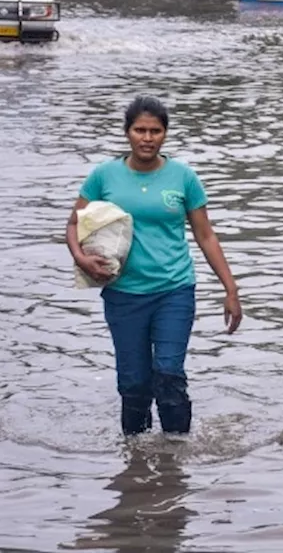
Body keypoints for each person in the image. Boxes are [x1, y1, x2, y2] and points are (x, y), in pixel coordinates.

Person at [67, 96, 243, 437]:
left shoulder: (183, 177)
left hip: (174, 290)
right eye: (140, 130)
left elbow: (206, 236)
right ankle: (135, 458)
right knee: (133, 383)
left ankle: (176, 453)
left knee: (168, 372)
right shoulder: (105, 176)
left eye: (155, 131)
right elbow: (73, 224)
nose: (147, 138)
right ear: (127, 133)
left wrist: (231, 289)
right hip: (123, 293)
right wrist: (80, 257)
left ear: (165, 134)